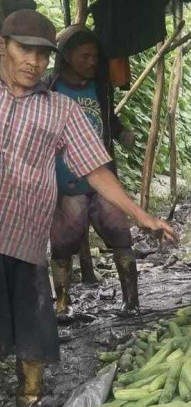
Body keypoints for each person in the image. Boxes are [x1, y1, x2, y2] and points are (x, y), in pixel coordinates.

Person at [0, 10, 176, 407]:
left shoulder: (60, 109)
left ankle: (31, 405)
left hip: (23, 236)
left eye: (43, 55)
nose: (34, 62)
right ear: (3, 47)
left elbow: (97, 169)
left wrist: (140, 215)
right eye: (25, 50)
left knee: (33, 323)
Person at [48, 25, 140, 318]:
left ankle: (131, 303)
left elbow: (107, 119)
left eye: (94, 56)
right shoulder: (49, 88)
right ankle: (62, 305)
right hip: (66, 181)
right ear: (66, 57)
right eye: (84, 56)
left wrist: (122, 132)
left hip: (102, 179)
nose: (91, 62)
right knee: (64, 240)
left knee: (119, 232)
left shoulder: (100, 86)